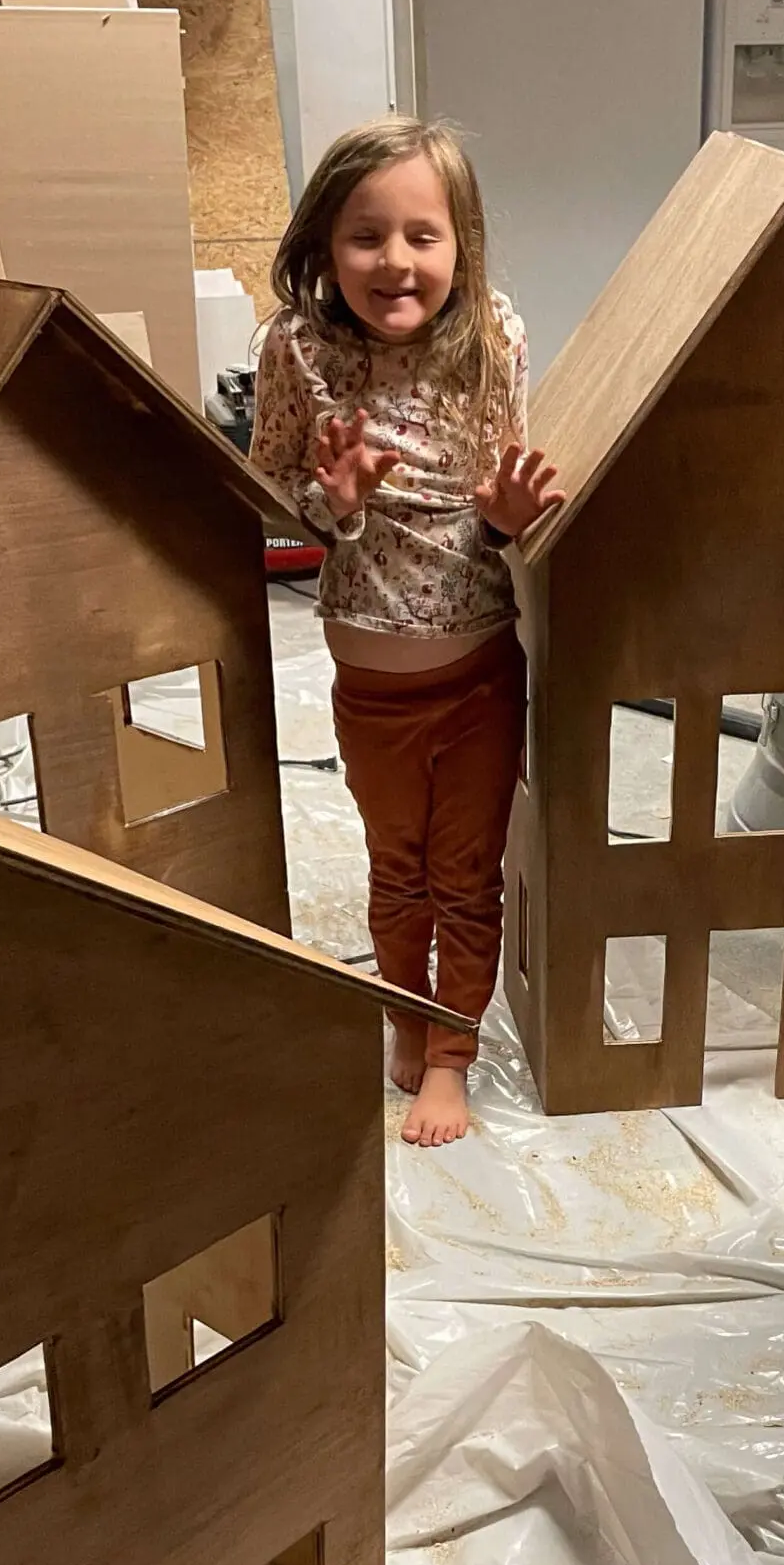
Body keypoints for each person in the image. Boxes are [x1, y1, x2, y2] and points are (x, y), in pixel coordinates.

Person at [250, 116, 562, 1146]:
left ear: (461, 243)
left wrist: (509, 521)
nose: (395, 261)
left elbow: (499, 498)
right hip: (371, 685)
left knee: (464, 873)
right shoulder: (299, 349)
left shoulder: (494, 337)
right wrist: (332, 502)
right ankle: (402, 1011)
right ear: (324, 245)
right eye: (365, 236)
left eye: (423, 236)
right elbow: (268, 492)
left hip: (477, 671)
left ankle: (449, 1055)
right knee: (397, 867)